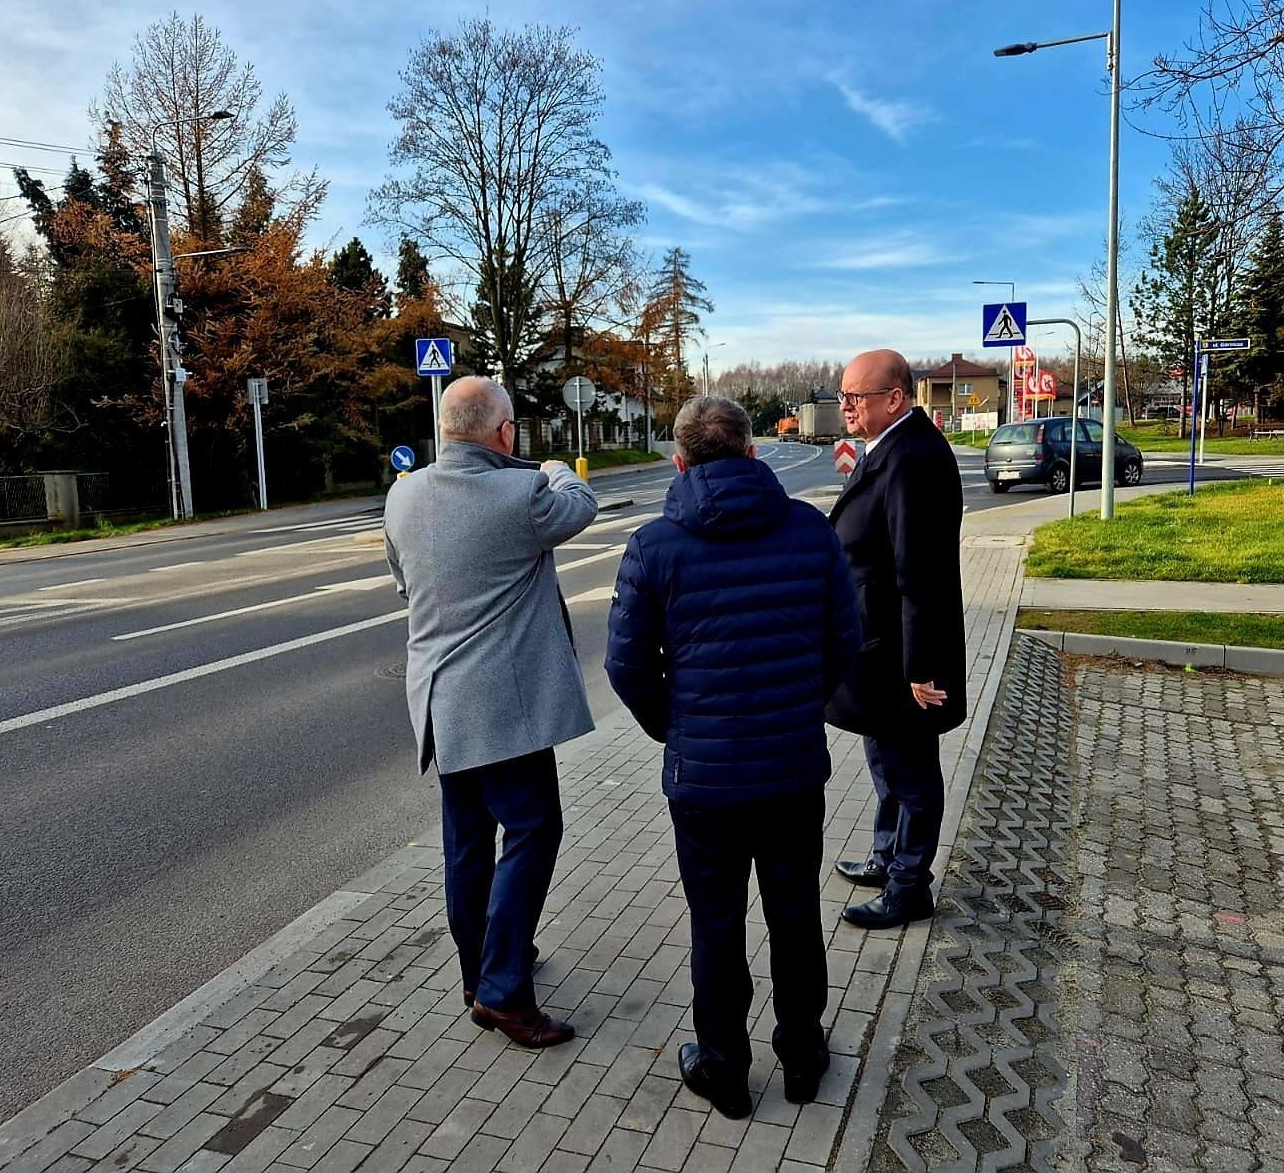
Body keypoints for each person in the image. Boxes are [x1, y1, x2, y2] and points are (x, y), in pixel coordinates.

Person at [606, 396, 860, 1120]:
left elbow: (625, 667)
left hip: (705, 781)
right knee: (796, 913)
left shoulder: (654, 545)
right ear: (753, 454)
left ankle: (724, 1068)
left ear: (679, 462)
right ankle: (803, 1056)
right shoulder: (810, 531)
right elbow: (847, 640)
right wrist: (798, 709)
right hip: (790, 769)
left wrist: (676, 727)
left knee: (714, 924)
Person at [383, 376, 597, 1048]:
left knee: (468, 843)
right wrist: (557, 467)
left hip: (441, 705)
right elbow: (581, 503)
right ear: (503, 433)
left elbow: (403, 580)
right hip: (505, 709)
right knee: (533, 832)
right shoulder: (524, 493)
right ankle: (503, 993)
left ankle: (480, 972)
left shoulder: (402, 494)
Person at [828, 349, 966, 929]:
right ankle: (887, 858)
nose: (845, 406)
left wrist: (922, 670)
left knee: (911, 773)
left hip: (902, 656)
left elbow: (920, 575)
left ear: (895, 399)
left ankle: (910, 885)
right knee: (885, 761)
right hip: (877, 647)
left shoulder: (911, 458)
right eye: (843, 396)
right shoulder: (889, 449)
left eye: (855, 397)